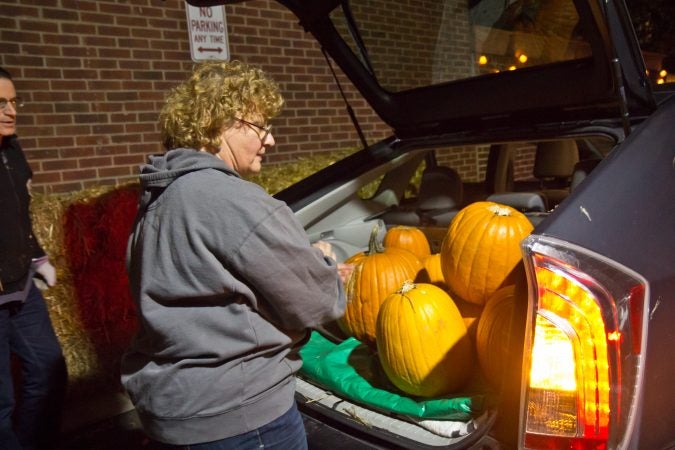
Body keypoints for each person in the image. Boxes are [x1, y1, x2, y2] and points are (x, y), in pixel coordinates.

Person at [121, 60, 351, 449]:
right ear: (223, 124)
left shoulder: (159, 199)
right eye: (262, 126)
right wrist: (325, 266)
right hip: (240, 419)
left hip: (173, 409)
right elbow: (318, 302)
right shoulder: (233, 199)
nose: (271, 139)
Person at [0, 67, 68, 450]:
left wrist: (37, 257)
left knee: (49, 369)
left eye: (13, 102)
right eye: (0, 103)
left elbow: (19, 213)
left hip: (20, 288)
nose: (10, 111)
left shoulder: (11, 150)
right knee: (1, 400)